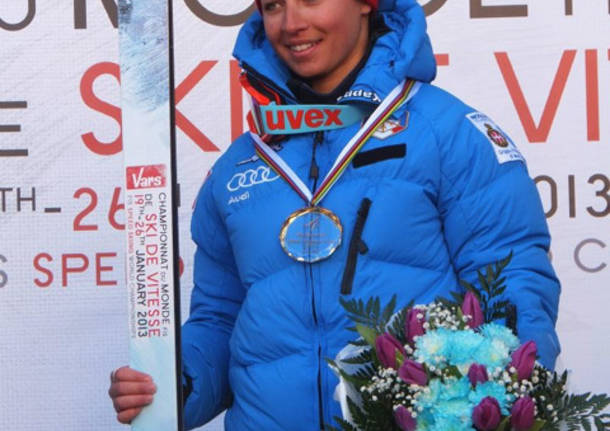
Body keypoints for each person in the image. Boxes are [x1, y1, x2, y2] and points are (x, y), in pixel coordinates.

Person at [109, 0, 561, 429]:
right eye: (273, 6)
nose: (291, 24)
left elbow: (512, 294)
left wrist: (498, 408)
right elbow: (219, 321)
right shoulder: (238, 168)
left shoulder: (447, 134)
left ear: (366, 4)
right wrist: (171, 382)